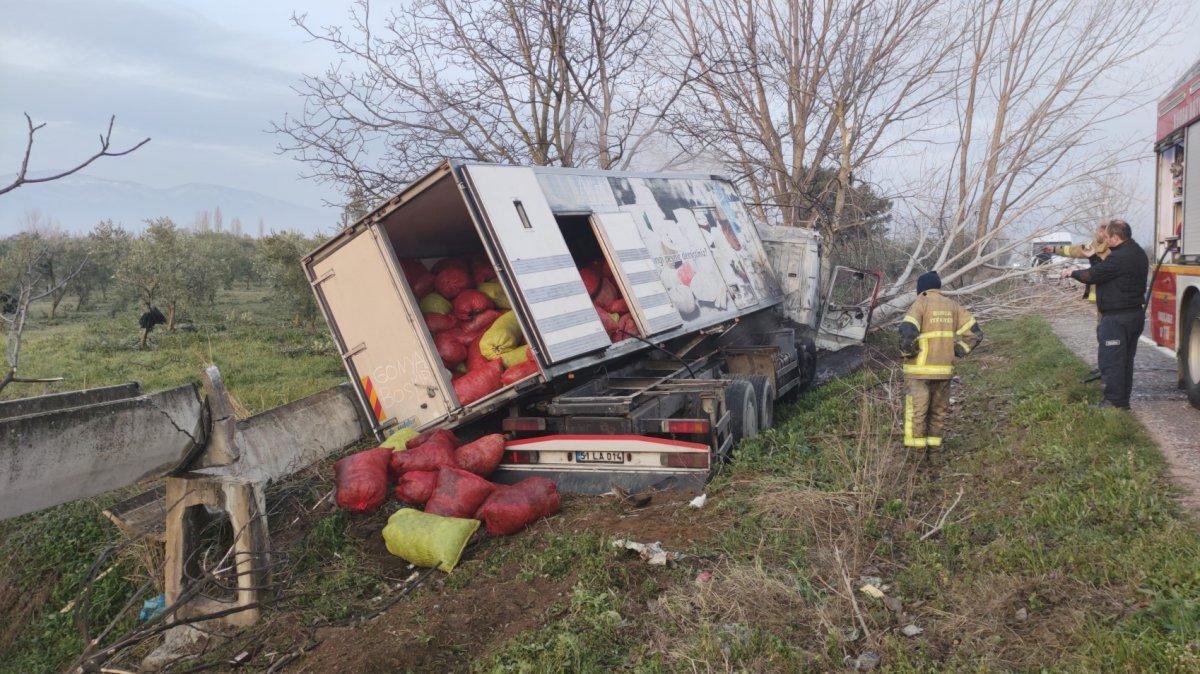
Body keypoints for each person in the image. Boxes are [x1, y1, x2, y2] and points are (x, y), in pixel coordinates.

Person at [1060, 218, 1149, 409]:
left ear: (1116, 237)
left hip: (1117, 319)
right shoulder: (1136, 252)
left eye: (1107, 237)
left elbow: (1092, 275)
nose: (1105, 240)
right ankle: (1122, 402)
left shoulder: (1119, 257)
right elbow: (1105, 270)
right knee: (1125, 361)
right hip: (1133, 315)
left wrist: (1071, 272)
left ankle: (1113, 403)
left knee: (1112, 361)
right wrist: (1093, 256)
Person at [898, 271, 984, 448]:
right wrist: (957, 351)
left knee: (917, 414)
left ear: (921, 288)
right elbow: (975, 334)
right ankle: (934, 455)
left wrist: (908, 354)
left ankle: (917, 459)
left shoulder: (920, 303)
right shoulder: (953, 306)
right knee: (938, 413)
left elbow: (907, 334)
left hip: (918, 372)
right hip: (944, 371)